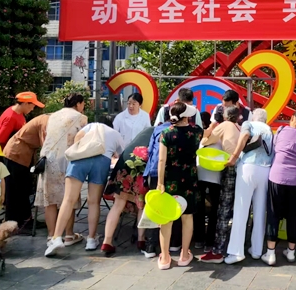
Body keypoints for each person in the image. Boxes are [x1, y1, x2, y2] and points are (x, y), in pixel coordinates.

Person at [45, 122, 124, 257]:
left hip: (81, 157)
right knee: (94, 202)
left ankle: (56, 238)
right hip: (102, 161)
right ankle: (91, 239)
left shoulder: (92, 125)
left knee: (68, 200)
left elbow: (78, 137)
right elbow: (122, 155)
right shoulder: (116, 134)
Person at [35, 93, 88, 246]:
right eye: (83, 104)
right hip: (67, 159)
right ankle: (69, 235)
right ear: (78, 104)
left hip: (47, 159)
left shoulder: (52, 116)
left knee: (50, 200)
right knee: (69, 198)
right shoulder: (81, 117)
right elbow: (82, 140)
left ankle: (51, 236)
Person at [262, 110, 296, 266]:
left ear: (292, 119)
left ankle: (270, 253)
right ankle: (291, 252)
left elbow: (275, 147)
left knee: (273, 214)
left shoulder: (282, 130)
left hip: (277, 176)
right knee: (294, 215)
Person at [223, 109, 274, 265]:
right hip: (265, 170)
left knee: (241, 210)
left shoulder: (248, 124)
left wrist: (234, 157)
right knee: (260, 212)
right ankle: (257, 250)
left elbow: (245, 135)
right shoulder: (269, 130)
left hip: (248, 167)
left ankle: (236, 252)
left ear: (253, 117)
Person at [156, 103, 203, 270]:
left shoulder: (166, 133)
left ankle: (165, 258)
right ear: (186, 116)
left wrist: (160, 182)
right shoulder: (196, 131)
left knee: (166, 218)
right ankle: (184, 255)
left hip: (170, 179)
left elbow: (161, 160)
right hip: (190, 178)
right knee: (187, 217)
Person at [101, 126, 154, 257]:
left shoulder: (147, 130)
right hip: (142, 164)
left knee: (118, 205)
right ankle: (141, 240)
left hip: (125, 161)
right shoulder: (166, 132)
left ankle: (107, 241)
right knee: (142, 204)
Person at [199, 106, 242, 264]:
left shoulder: (225, 125)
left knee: (223, 210)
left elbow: (205, 141)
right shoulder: (238, 127)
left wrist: (211, 128)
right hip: (242, 167)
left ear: (225, 116)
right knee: (238, 210)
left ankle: (217, 251)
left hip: (230, 167)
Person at [3, 114, 49, 229]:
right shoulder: (46, 121)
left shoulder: (46, 119)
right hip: (16, 154)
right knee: (17, 189)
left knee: (19, 189)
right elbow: (46, 145)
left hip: (19, 154)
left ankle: (19, 219)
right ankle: (20, 221)